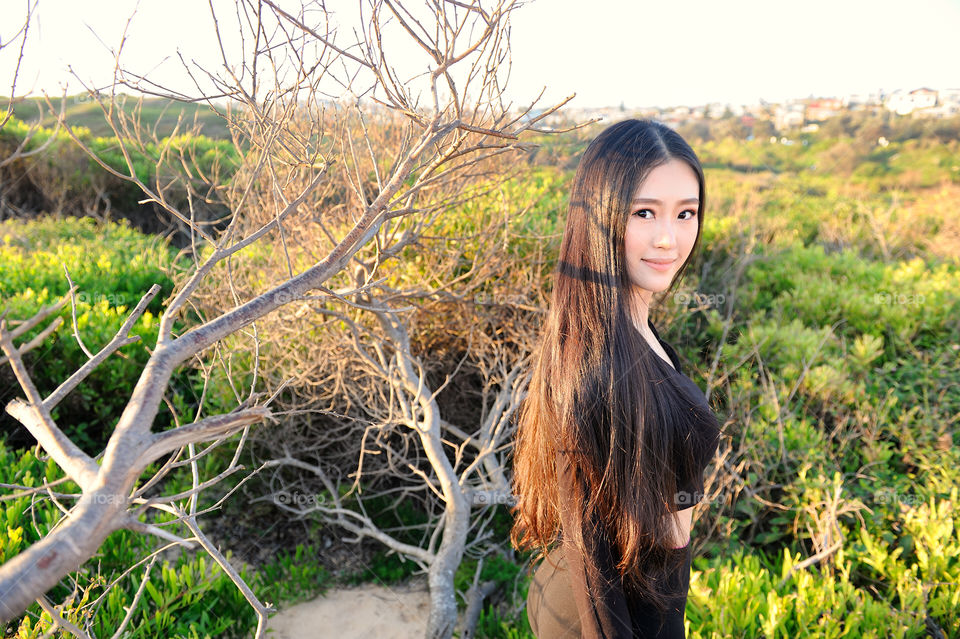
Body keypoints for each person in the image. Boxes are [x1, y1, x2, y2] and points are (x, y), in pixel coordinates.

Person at [509, 119, 723, 638]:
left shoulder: (630, 325)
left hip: (641, 586)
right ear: (602, 216)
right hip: (603, 608)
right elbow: (590, 551)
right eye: (644, 213)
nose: (669, 237)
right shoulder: (594, 361)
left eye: (685, 213)